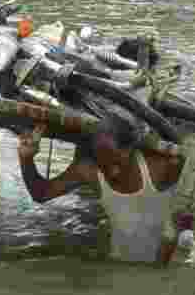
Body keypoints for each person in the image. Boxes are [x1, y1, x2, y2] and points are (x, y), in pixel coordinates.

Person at [17, 111, 185, 265]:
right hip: (120, 268)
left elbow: (192, 186)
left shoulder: (161, 167)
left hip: (166, 268)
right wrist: (26, 159)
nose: (112, 172)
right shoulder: (90, 172)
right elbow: (41, 193)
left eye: (118, 162)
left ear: (131, 149)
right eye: (104, 165)